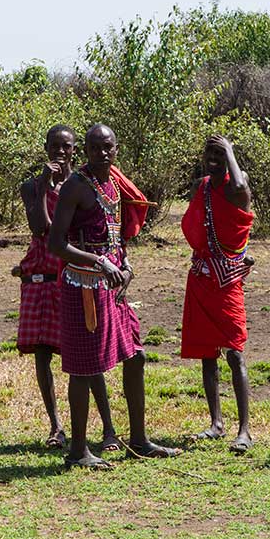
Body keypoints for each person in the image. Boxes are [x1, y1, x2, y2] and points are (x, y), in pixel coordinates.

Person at [48, 123, 181, 469]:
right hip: (83, 287)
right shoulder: (76, 186)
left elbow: (114, 235)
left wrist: (125, 263)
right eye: (95, 148)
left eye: (108, 147)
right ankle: (78, 450)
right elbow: (56, 244)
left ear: (116, 149)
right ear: (86, 151)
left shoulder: (114, 185)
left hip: (113, 286)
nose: (102, 154)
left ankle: (138, 439)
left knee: (135, 356)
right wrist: (100, 263)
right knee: (83, 367)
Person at [15, 125, 120, 452]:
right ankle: (57, 426)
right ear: (45, 147)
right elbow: (40, 227)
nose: (61, 152)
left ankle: (107, 428)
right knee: (44, 353)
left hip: (77, 274)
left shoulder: (86, 185)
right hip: (43, 273)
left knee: (86, 356)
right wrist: (45, 186)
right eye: (55, 146)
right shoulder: (32, 187)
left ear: (77, 150)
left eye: (67, 147)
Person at [180, 135, 255, 453]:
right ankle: (216, 423)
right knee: (207, 356)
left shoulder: (237, 185)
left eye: (219, 156)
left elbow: (240, 190)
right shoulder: (202, 187)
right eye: (209, 155)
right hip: (202, 277)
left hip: (227, 283)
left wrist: (230, 153)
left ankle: (245, 430)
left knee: (235, 352)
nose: (212, 161)